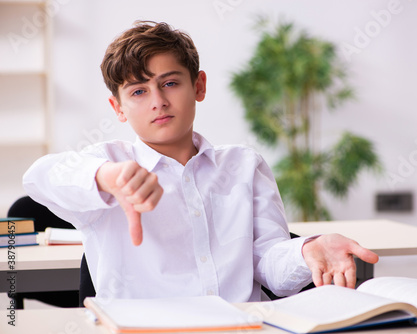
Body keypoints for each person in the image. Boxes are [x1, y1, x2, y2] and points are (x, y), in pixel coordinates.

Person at [23, 21, 378, 302]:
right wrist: (106, 177)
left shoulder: (243, 165)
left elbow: (268, 267)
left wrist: (306, 250)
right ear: (118, 108)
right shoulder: (109, 162)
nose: (158, 101)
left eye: (171, 83)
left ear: (199, 86)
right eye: (138, 91)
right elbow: (38, 177)